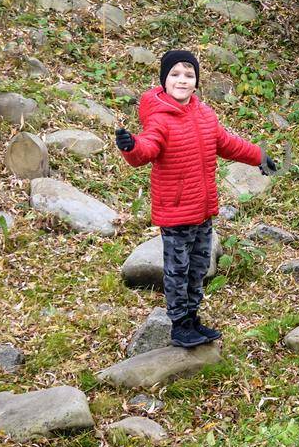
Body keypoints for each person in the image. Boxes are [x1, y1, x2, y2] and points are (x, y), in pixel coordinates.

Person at [115, 49, 278, 348]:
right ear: (164, 80)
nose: (182, 80)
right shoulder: (160, 120)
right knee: (177, 270)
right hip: (176, 212)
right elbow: (146, 149)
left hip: (203, 209)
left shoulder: (204, 114)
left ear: (197, 81)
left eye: (189, 75)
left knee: (199, 266)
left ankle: (192, 317)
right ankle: (179, 325)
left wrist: (258, 155)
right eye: (175, 74)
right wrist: (131, 147)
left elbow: (226, 143)